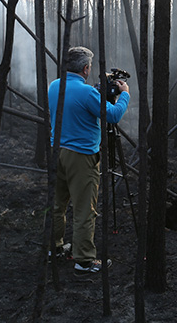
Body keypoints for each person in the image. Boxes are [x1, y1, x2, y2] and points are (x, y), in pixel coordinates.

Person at [48, 46, 130, 276]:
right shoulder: (87, 94)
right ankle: (83, 262)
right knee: (84, 210)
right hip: (81, 158)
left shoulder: (54, 86)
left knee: (57, 205)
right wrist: (124, 95)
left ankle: (54, 248)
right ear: (85, 68)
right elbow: (113, 114)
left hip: (57, 153)